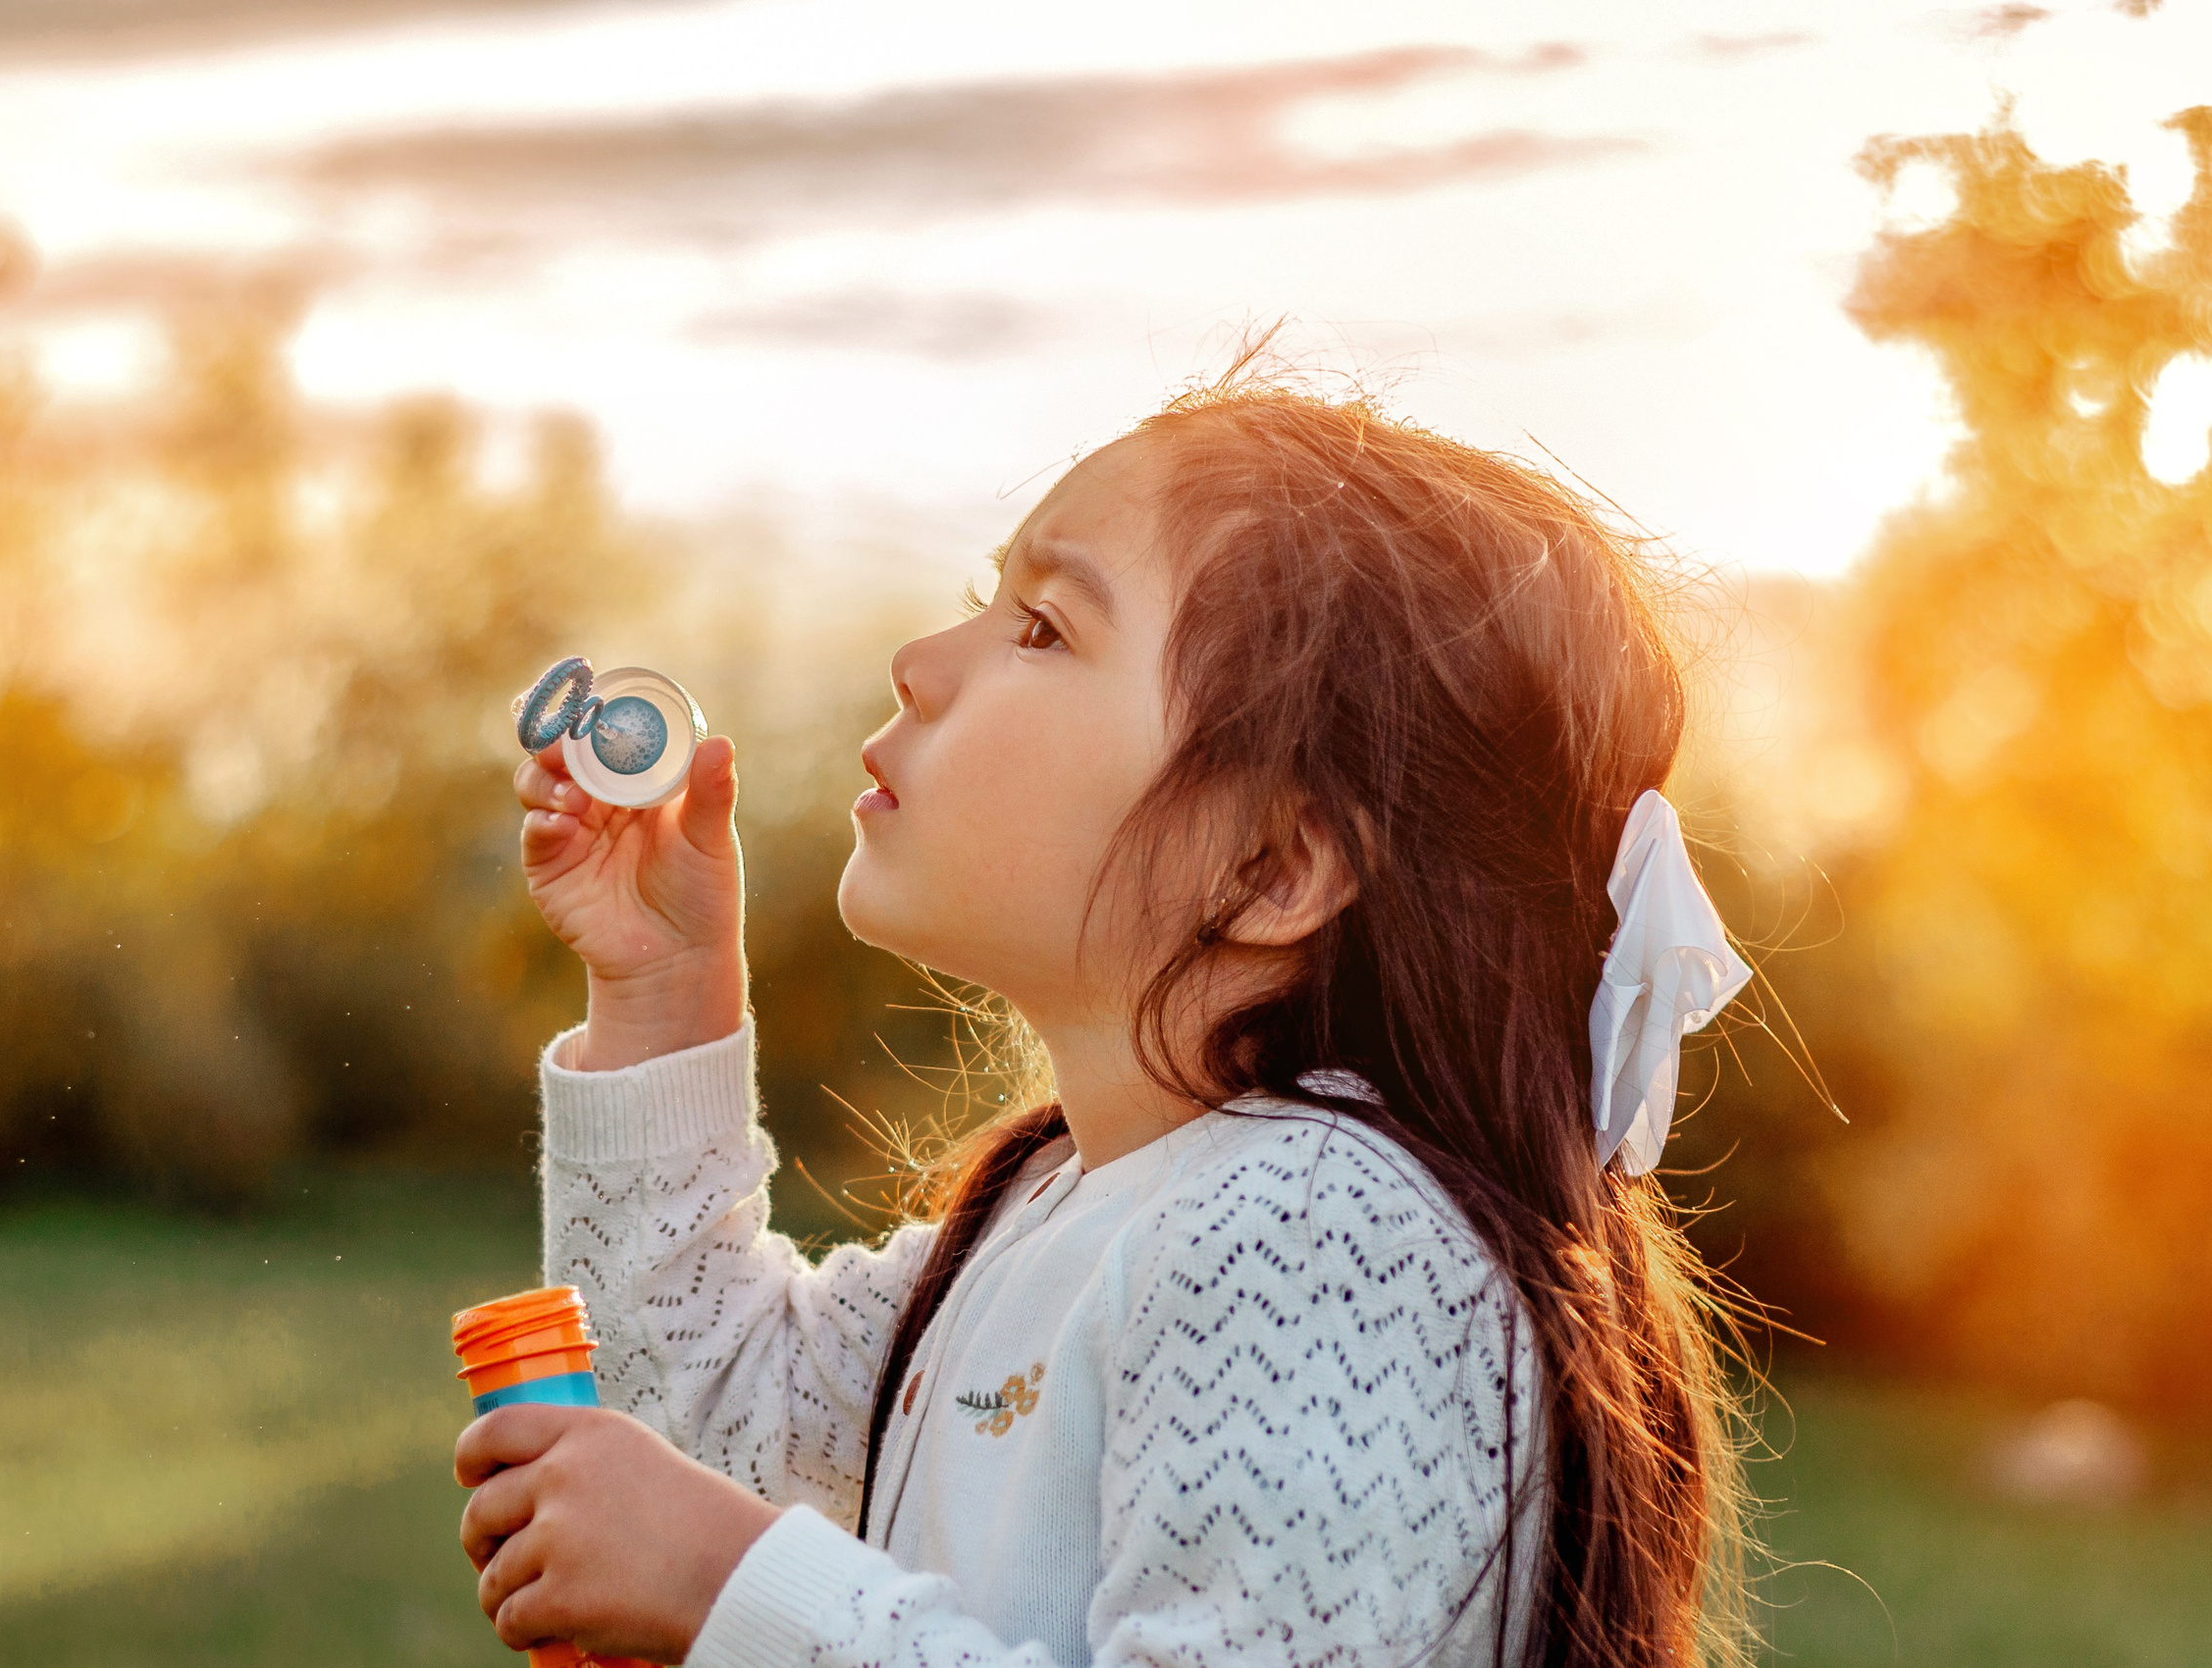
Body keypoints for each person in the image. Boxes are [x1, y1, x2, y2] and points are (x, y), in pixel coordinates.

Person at [456, 369, 1759, 1668]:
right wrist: (661, 987)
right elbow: (694, 1422)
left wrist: (735, 1585)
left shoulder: (1321, 1234)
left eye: (1043, 629)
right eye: (991, 603)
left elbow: (712, 1541)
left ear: (1271, 869)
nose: (917, 666)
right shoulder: (1068, 1213)